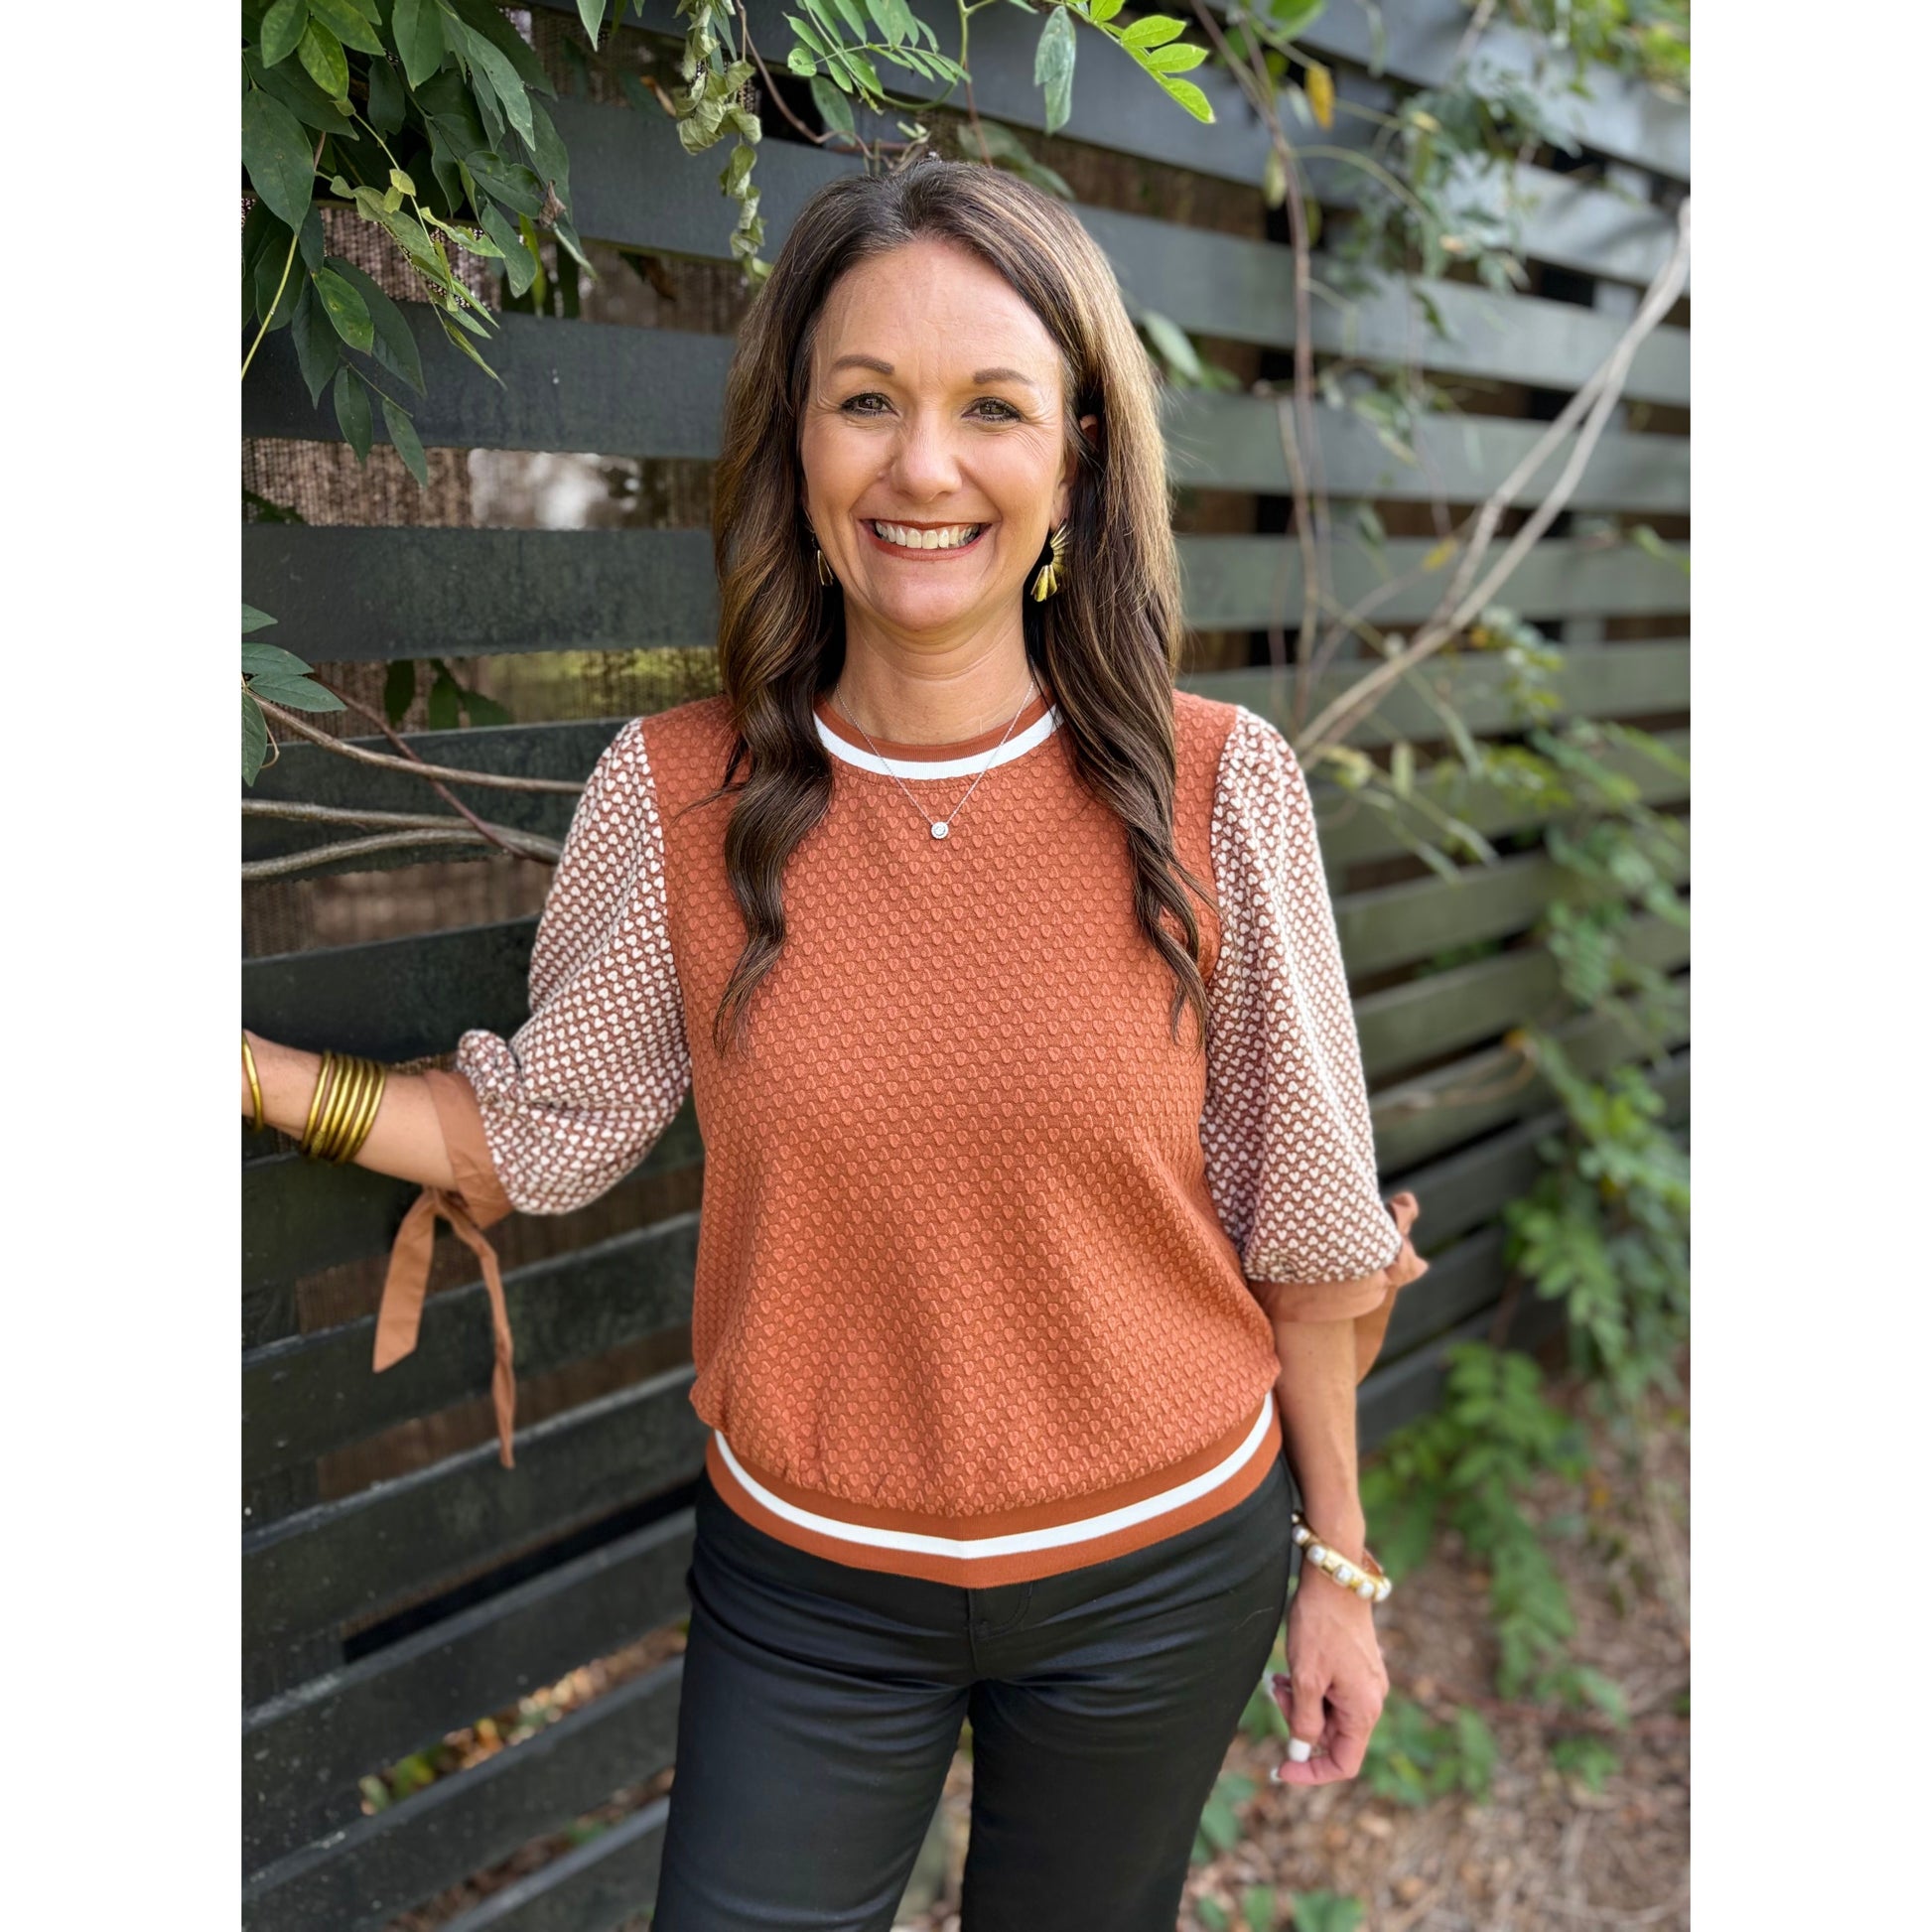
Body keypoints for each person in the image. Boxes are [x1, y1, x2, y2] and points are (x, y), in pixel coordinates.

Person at [241, 158, 1430, 1932]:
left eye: (991, 409)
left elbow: (1315, 1237)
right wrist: (236, 1067)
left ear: (1078, 456)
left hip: (1162, 1579)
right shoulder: (673, 798)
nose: (924, 466)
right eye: (865, 401)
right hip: (810, 1595)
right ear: (794, 444)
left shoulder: (1215, 790)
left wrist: (1334, 1564)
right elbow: (537, 1136)